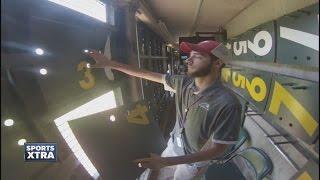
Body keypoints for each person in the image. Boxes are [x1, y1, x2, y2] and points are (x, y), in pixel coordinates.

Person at [86, 40, 242, 180]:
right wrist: (110, 64)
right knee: (155, 174)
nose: (189, 60)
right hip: (174, 145)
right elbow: (146, 74)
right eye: (190, 55)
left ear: (217, 63)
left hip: (193, 161)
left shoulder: (227, 103)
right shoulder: (183, 83)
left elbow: (219, 149)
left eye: (198, 56)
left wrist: (168, 162)